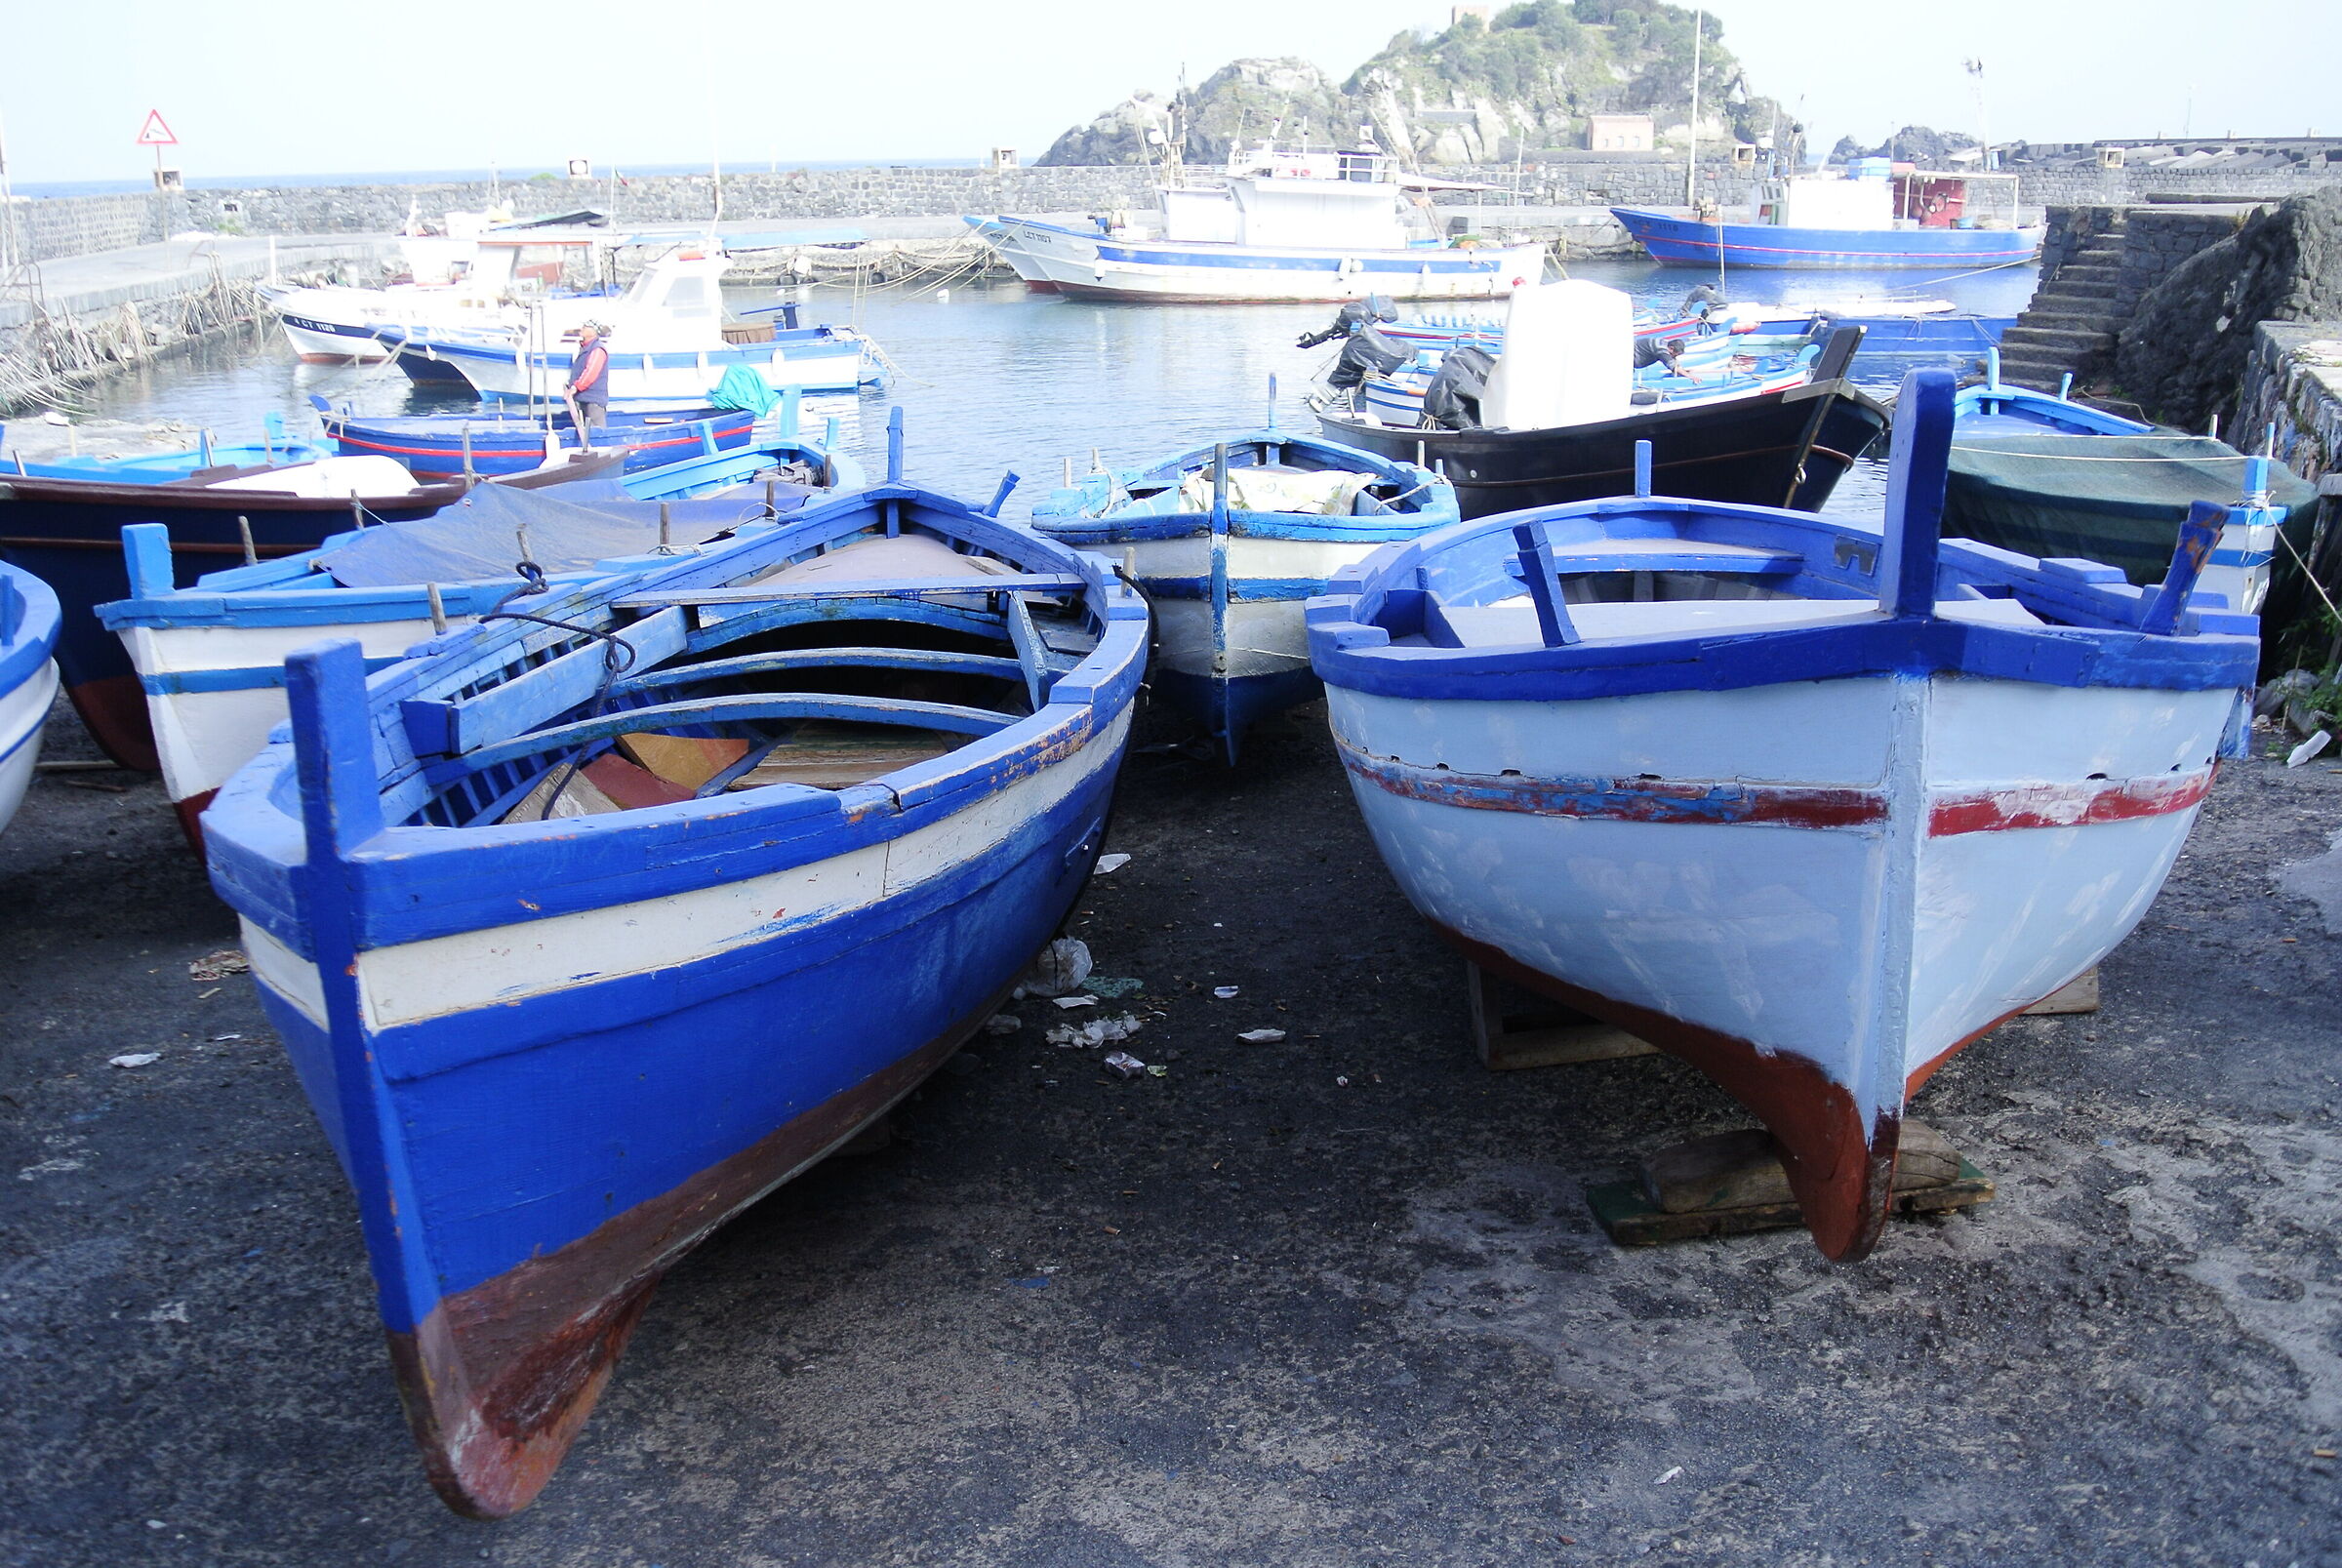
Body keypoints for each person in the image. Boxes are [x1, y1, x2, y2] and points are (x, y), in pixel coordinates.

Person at [566, 320, 612, 430]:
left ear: (593, 332)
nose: (582, 328)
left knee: (596, 430)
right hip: (584, 398)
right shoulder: (585, 348)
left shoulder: (597, 349)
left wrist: (575, 387)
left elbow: (591, 372)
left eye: (586, 326)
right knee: (586, 429)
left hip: (593, 400)